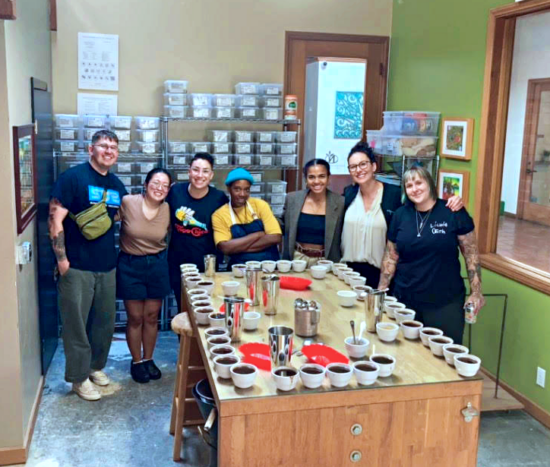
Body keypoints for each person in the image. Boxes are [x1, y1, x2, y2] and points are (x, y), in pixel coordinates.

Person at [49, 130, 127, 401]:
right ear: (90, 149)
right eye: (104, 146)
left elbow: (117, 217)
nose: (109, 151)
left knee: (104, 323)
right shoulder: (73, 178)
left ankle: (95, 367)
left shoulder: (117, 184)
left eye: (114, 147)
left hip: (107, 264)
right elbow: (55, 219)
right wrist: (62, 260)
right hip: (76, 266)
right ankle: (79, 378)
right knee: (76, 325)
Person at [378, 166, 485, 344]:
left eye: (419, 182)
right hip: (405, 299)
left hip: (444, 302)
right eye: (409, 185)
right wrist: (382, 290)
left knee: (444, 358)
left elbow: (471, 254)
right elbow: (391, 256)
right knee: (406, 353)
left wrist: (476, 292)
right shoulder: (400, 215)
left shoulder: (453, 212)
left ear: (430, 184)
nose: (415, 188)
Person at [342, 141, 463, 287]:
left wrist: (451, 202)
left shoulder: (394, 195)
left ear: (374, 166)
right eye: (353, 166)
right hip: (346, 272)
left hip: (381, 275)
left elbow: (422, 207)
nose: (358, 170)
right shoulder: (348, 194)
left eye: (363, 164)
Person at [117, 168, 171, 384]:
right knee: (135, 317)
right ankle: (136, 361)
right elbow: (104, 220)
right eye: (155, 183)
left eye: (165, 185)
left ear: (169, 190)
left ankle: (149, 359)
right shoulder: (129, 202)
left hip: (157, 264)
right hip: (130, 264)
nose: (159, 188)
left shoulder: (168, 208)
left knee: (151, 316)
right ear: (146, 184)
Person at [166, 153, 228, 312]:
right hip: (178, 264)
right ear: (189, 171)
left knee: (207, 311)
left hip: (207, 266)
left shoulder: (219, 198)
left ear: (212, 175)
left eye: (205, 171)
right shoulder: (175, 192)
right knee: (184, 311)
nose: (200, 175)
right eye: (196, 170)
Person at [212, 168, 282, 266]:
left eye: (246, 190)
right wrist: (257, 235)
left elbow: (275, 237)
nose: (242, 194)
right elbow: (225, 248)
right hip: (239, 268)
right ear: (229, 189)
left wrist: (238, 248)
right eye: (237, 189)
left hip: (268, 266)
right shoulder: (219, 215)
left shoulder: (260, 205)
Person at [282, 159, 345, 267]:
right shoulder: (292, 199)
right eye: (311, 177)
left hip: (326, 261)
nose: (316, 181)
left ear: (328, 178)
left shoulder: (340, 202)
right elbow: (282, 225)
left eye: (322, 176)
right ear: (306, 179)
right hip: (297, 258)